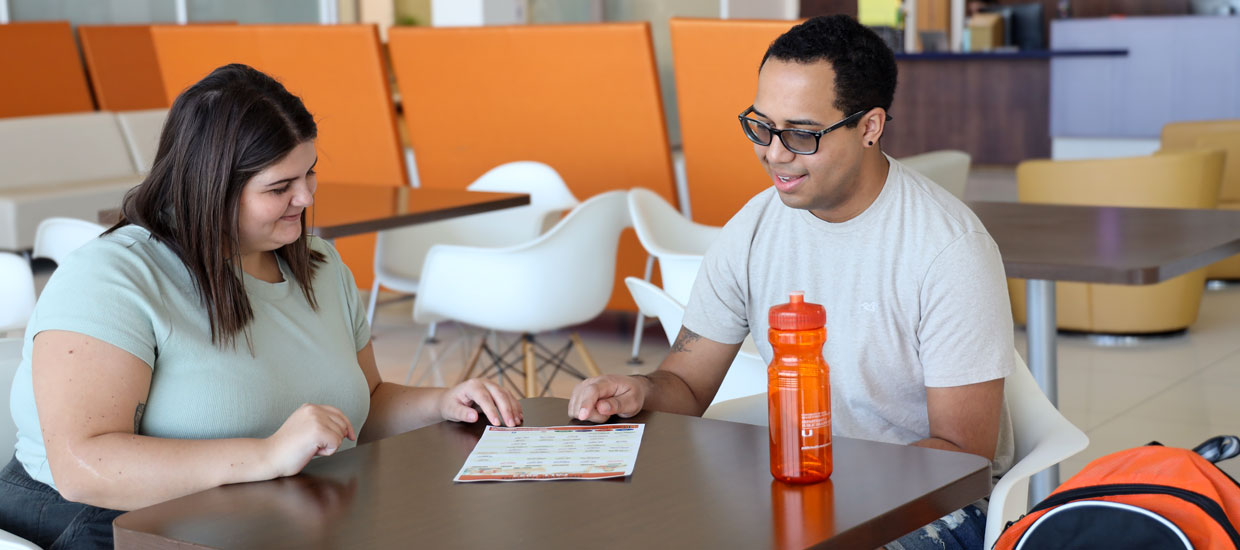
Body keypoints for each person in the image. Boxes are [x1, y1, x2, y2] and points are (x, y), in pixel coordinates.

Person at [0, 63, 522, 550]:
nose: (305, 198)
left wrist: (443, 403)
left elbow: (364, 402)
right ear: (210, 188)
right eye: (280, 187)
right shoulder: (112, 276)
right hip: (101, 520)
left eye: (309, 174)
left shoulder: (318, 266)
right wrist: (268, 455)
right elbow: (83, 465)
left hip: (252, 511)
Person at [568, 15, 1013, 550]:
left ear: (870, 127)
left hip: (929, 507)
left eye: (801, 134)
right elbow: (686, 385)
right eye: (762, 126)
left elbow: (962, 456)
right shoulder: (753, 229)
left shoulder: (947, 249)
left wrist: (826, 483)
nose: (774, 153)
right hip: (800, 490)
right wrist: (638, 392)